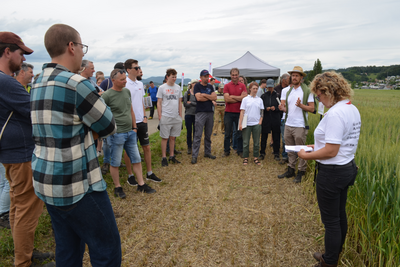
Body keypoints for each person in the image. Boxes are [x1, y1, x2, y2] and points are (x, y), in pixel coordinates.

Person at [31, 24, 121, 266]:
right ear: (71, 47)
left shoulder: (37, 82)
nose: (83, 52)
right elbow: (109, 126)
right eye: (82, 46)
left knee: (68, 249)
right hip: (77, 183)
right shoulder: (76, 84)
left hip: (46, 181)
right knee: (107, 249)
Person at [0, 31, 55, 267]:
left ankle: (25, 252)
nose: (23, 60)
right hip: (22, 154)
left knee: (16, 205)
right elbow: (36, 112)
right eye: (21, 54)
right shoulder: (6, 81)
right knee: (26, 210)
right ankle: (23, 262)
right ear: (7, 51)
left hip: (10, 152)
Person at [298, 71, 361, 267]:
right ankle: (334, 253)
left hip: (332, 173)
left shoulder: (334, 113)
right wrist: (315, 147)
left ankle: (329, 262)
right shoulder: (351, 108)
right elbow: (337, 143)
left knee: (331, 221)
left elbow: (331, 151)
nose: (319, 100)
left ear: (328, 92)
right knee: (339, 215)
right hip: (347, 168)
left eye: (319, 96)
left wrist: (306, 155)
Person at [102, 69, 156, 196]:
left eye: (125, 78)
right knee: (115, 162)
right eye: (122, 80)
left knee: (136, 159)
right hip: (116, 134)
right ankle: (118, 187)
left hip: (130, 132)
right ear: (113, 80)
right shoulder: (107, 95)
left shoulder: (126, 91)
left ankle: (141, 184)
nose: (125, 81)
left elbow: (130, 110)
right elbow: (101, 113)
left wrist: (134, 128)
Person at [123, 59, 161, 184]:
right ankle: (130, 175)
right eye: (136, 67)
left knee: (147, 147)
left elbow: (141, 101)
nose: (139, 69)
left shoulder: (140, 84)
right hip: (129, 122)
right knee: (129, 150)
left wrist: (145, 117)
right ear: (128, 70)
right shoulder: (125, 84)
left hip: (141, 120)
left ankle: (149, 173)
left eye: (139, 67)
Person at [278, 66, 314, 183]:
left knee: (301, 149)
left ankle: (301, 171)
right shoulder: (287, 91)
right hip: (288, 123)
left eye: (297, 75)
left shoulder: (307, 91)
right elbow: (286, 108)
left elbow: (312, 108)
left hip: (300, 124)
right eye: (293, 75)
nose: (294, 77)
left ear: (301, 77)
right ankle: (291, 169)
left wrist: (301, 106)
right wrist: (282, 108)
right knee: (289, 149)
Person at [157, 68, 183, 166]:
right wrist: (160, 116)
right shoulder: (162, 88)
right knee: (165, 138)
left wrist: (180, 115)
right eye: (173, 77)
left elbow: (179, 102)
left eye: (175, 77)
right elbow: (159, 103)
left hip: (176, 117)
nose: (174, 79)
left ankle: (172, 156)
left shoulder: (177, 88)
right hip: (165, 116)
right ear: (167, 77)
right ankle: (164, 157)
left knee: (173, 138)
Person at [191, 70, 217, 164]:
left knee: (208, 134)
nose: (206, 78)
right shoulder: (197, 86)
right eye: (205, 76)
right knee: (198, 135)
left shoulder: (210, 86)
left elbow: (215, 98)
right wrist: (209, 96)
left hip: (210, 112)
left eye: (207, 76)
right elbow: (198, 98)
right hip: (200, 113)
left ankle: (207, 152)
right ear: (201, 77)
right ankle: (194, 156)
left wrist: (205, 95)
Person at [223, 68, 247, 157]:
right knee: (227, 133)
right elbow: (227, 99)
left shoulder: (243, 86)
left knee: (240, 132)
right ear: (230, 75)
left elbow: (244, 99)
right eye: (233, 75)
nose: (234, 76)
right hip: (228, 112)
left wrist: (232, 96)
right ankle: (226, 150)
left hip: (239, 113)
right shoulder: (227, 86)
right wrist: (239, 97)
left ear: (238, 75)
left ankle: (240, 150)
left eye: (236, 75)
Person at [239, 82, 264, 166]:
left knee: (256, 142)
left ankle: (255, 157)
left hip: (256, 123)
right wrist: (240, 123)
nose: (255, 90)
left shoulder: (260, 100)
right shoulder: (245, 99)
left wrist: (260, 121)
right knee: (246, 142)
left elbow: (262, 111)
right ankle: (245, 157)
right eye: (254, 88)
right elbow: (242, 112)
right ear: (250, 89)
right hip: (247, 122)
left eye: (256, 89)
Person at [260, 79, 281, 161]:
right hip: (266, 119)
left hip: (275, 119)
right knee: (264, 137)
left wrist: (275, 108)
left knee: (276, 137)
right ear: (267, 86)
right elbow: (261, 108)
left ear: (273, 86)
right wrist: (266, 108)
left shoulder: (277, 96)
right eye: (268, 87)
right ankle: (262, 153)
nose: (270, 88)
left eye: (271, 87)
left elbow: (280, 108)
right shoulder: (263, 96)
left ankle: (276, 153)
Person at [276, 74, 291, 164]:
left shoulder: (301, 90)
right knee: (285, 138)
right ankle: (285, 156)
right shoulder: (284, 90)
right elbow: (282, 104)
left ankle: (292, 157)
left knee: (292, 139)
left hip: (294, 119)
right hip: (284, 117)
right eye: (290, 78)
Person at [183, 79, 197, 154]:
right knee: (189, 132)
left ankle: (194, 146)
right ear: (191, 84)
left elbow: (199, 104)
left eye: (196, 83)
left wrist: (191, 102)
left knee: (195, 132)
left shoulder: (198, 93)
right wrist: (194, 103)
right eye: (194, 83)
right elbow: (185, 104)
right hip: (188, 115)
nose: (195, 84)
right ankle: (189, 146)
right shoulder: (187, 93)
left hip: (196, 115)